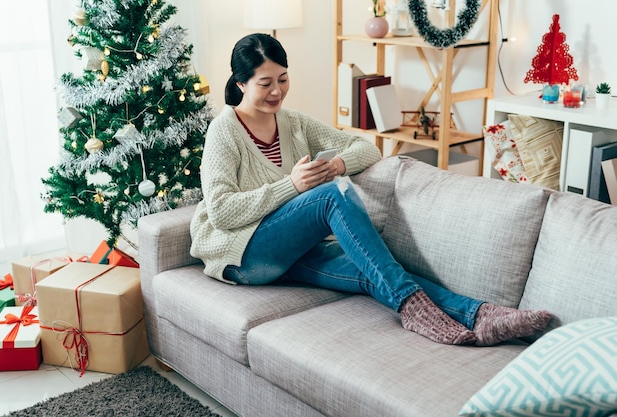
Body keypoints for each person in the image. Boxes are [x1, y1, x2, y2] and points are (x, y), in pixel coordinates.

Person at [190, 33, 551, 346]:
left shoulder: (294, 122)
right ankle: (413, 309)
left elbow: (366, 147)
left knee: (375, 269)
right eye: (265, 83)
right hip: (245, 257)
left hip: (292, 250)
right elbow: (221, 211)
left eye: (283, 79)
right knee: (332, 195)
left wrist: (335, 165)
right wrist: (292, 185)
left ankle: (480, 315)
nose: (277, 91)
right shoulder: (224, 132)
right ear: (240, 84)